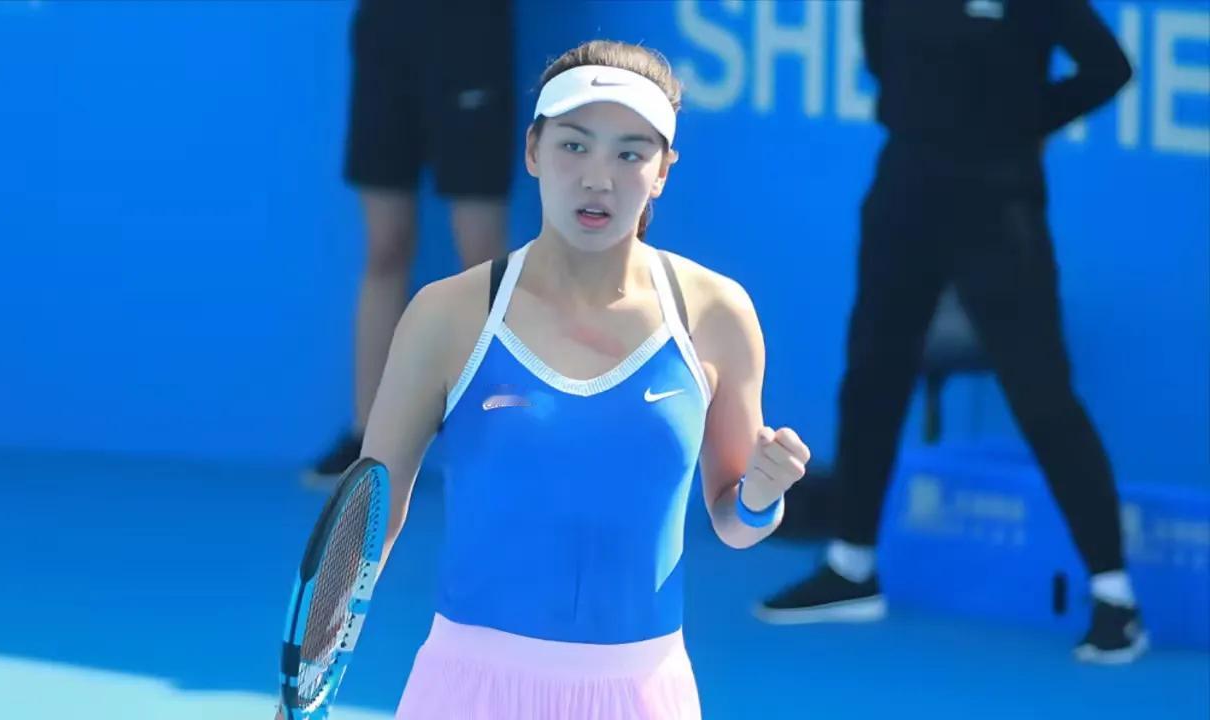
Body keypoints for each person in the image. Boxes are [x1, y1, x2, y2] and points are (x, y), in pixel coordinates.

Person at [359, 40, 810, 719]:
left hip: (642, 695)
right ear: (533, 151)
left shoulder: (718, 314)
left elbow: (734, 521)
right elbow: (367, 521)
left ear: (662, 172)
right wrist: (307, 670)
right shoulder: (445, 315)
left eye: (630, 154)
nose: (599, 178)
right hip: (467, 691)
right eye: (574, 146)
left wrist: (760, 498)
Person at [755, 0, 1144, 664]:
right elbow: (881, 55)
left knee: (1042, 395)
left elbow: (1109, 68)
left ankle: (1116, 598)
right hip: (904, 189)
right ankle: (852, 567)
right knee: (872, 377)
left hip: (1000, 203)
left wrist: (1020, 122)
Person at [307, 0, 515, 483]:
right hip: (386, 33)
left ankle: (501, 432)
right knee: (385, 245)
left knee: (482, 257)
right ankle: (368, 439)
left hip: (471, 37)